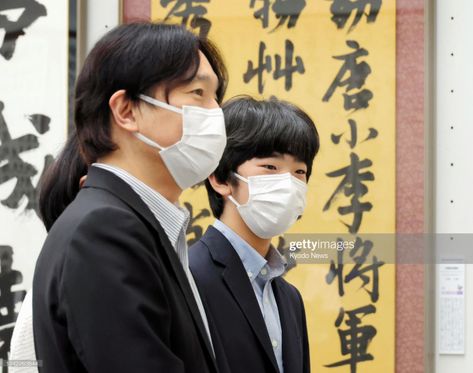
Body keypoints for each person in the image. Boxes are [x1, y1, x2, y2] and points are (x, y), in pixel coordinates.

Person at [31, 22, 228, 372]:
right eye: (198, 93)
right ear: (126, 111)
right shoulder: (105, 231)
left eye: (217, 98)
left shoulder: (132, 224)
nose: (215, 113)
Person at [189, 96, 320, 373]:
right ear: (221, 178)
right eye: (270, 167)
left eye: (300, 171)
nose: (288, 183)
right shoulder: (188, 275)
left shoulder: (289, 298)